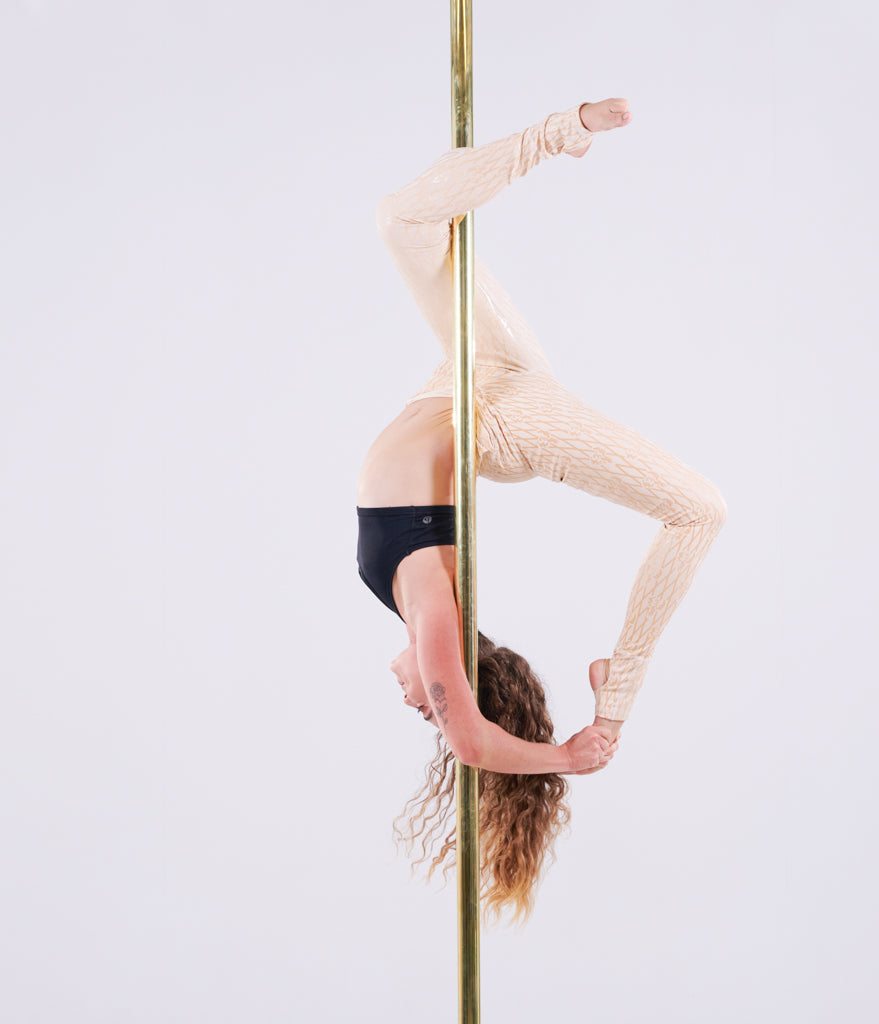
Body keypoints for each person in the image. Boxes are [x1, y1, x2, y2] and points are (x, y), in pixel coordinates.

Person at [357, 98, 726, 918]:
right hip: (502, 422)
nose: (418, 705)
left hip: (469, 376)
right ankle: (620, 677)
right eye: (434, 704)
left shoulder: (411, 605)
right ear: (461, 681)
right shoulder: (437, 624)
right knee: (700, 510)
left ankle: (565, 132)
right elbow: (471, 739)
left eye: (424, 707)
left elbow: (462, 725)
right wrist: (566, 753)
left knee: (400, 222)